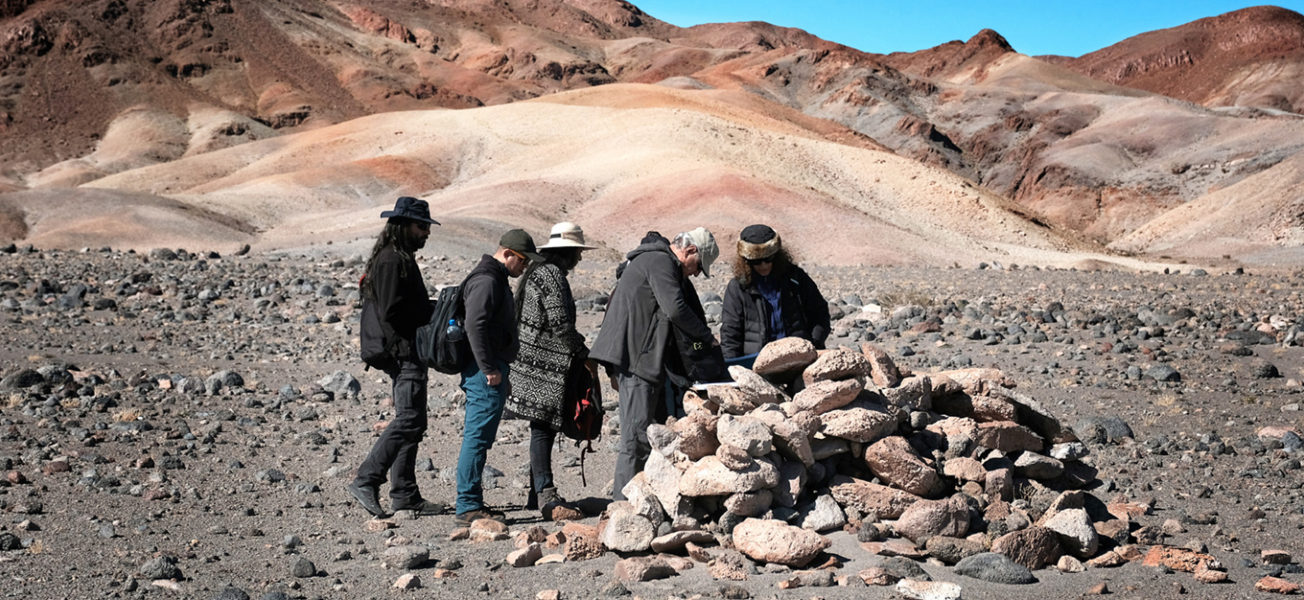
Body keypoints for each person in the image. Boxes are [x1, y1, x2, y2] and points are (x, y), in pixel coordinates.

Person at [590, 227, 722, 501]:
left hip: (641, 360)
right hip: (638, 362)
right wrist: (706, 337)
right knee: (636, 437)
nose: (696, 273)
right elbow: (675, 308)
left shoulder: (657, 261)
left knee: (643, 434)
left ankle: (638, 500)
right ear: (690, 250)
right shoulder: (661, 262)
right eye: (698, 266)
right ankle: (622, 507)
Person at [348, 196, 443, 518]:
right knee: (409, 420)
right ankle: (367, 479)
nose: (425, 233)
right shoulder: (391, 260)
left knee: (414, 422)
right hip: (401, 351)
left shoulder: (397, 257)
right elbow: (393, 310)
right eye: (420, 226)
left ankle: (404, 494)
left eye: (427, 227)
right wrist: (430, 312)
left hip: (404, 349)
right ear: (402, 226)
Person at [503, 222, 597, 518]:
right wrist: (584, 353)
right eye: (576, 253)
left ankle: (536, 493)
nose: (579, 259)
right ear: (566, 253)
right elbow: (560, 323)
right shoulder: (552, 275)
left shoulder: (538, 272)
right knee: (543, 427)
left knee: (540, 426)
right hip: (543, 367)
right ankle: (545, 492)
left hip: (531, 362)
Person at [454, 228, 544, 526]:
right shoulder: (487, 281)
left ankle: (472, 502)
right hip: (485, 373)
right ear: (508, 254)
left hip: (488, 370)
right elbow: (475, 326)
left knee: (480, 437)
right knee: (477, 438)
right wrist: (489, 369)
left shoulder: (492, 278)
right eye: (522, 261)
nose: (525, 267)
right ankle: (467, 506)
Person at [720, 224, 830, 359]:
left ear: (776, 255)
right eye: (757, 261)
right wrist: (733, 367)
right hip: (757, 362)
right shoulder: (738, 288)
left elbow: (820, 313)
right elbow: (730, 333)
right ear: (746, 261)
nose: (763, 265)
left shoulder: (795, 278)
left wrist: (814, 344)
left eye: (768, 259)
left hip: (798, 357)